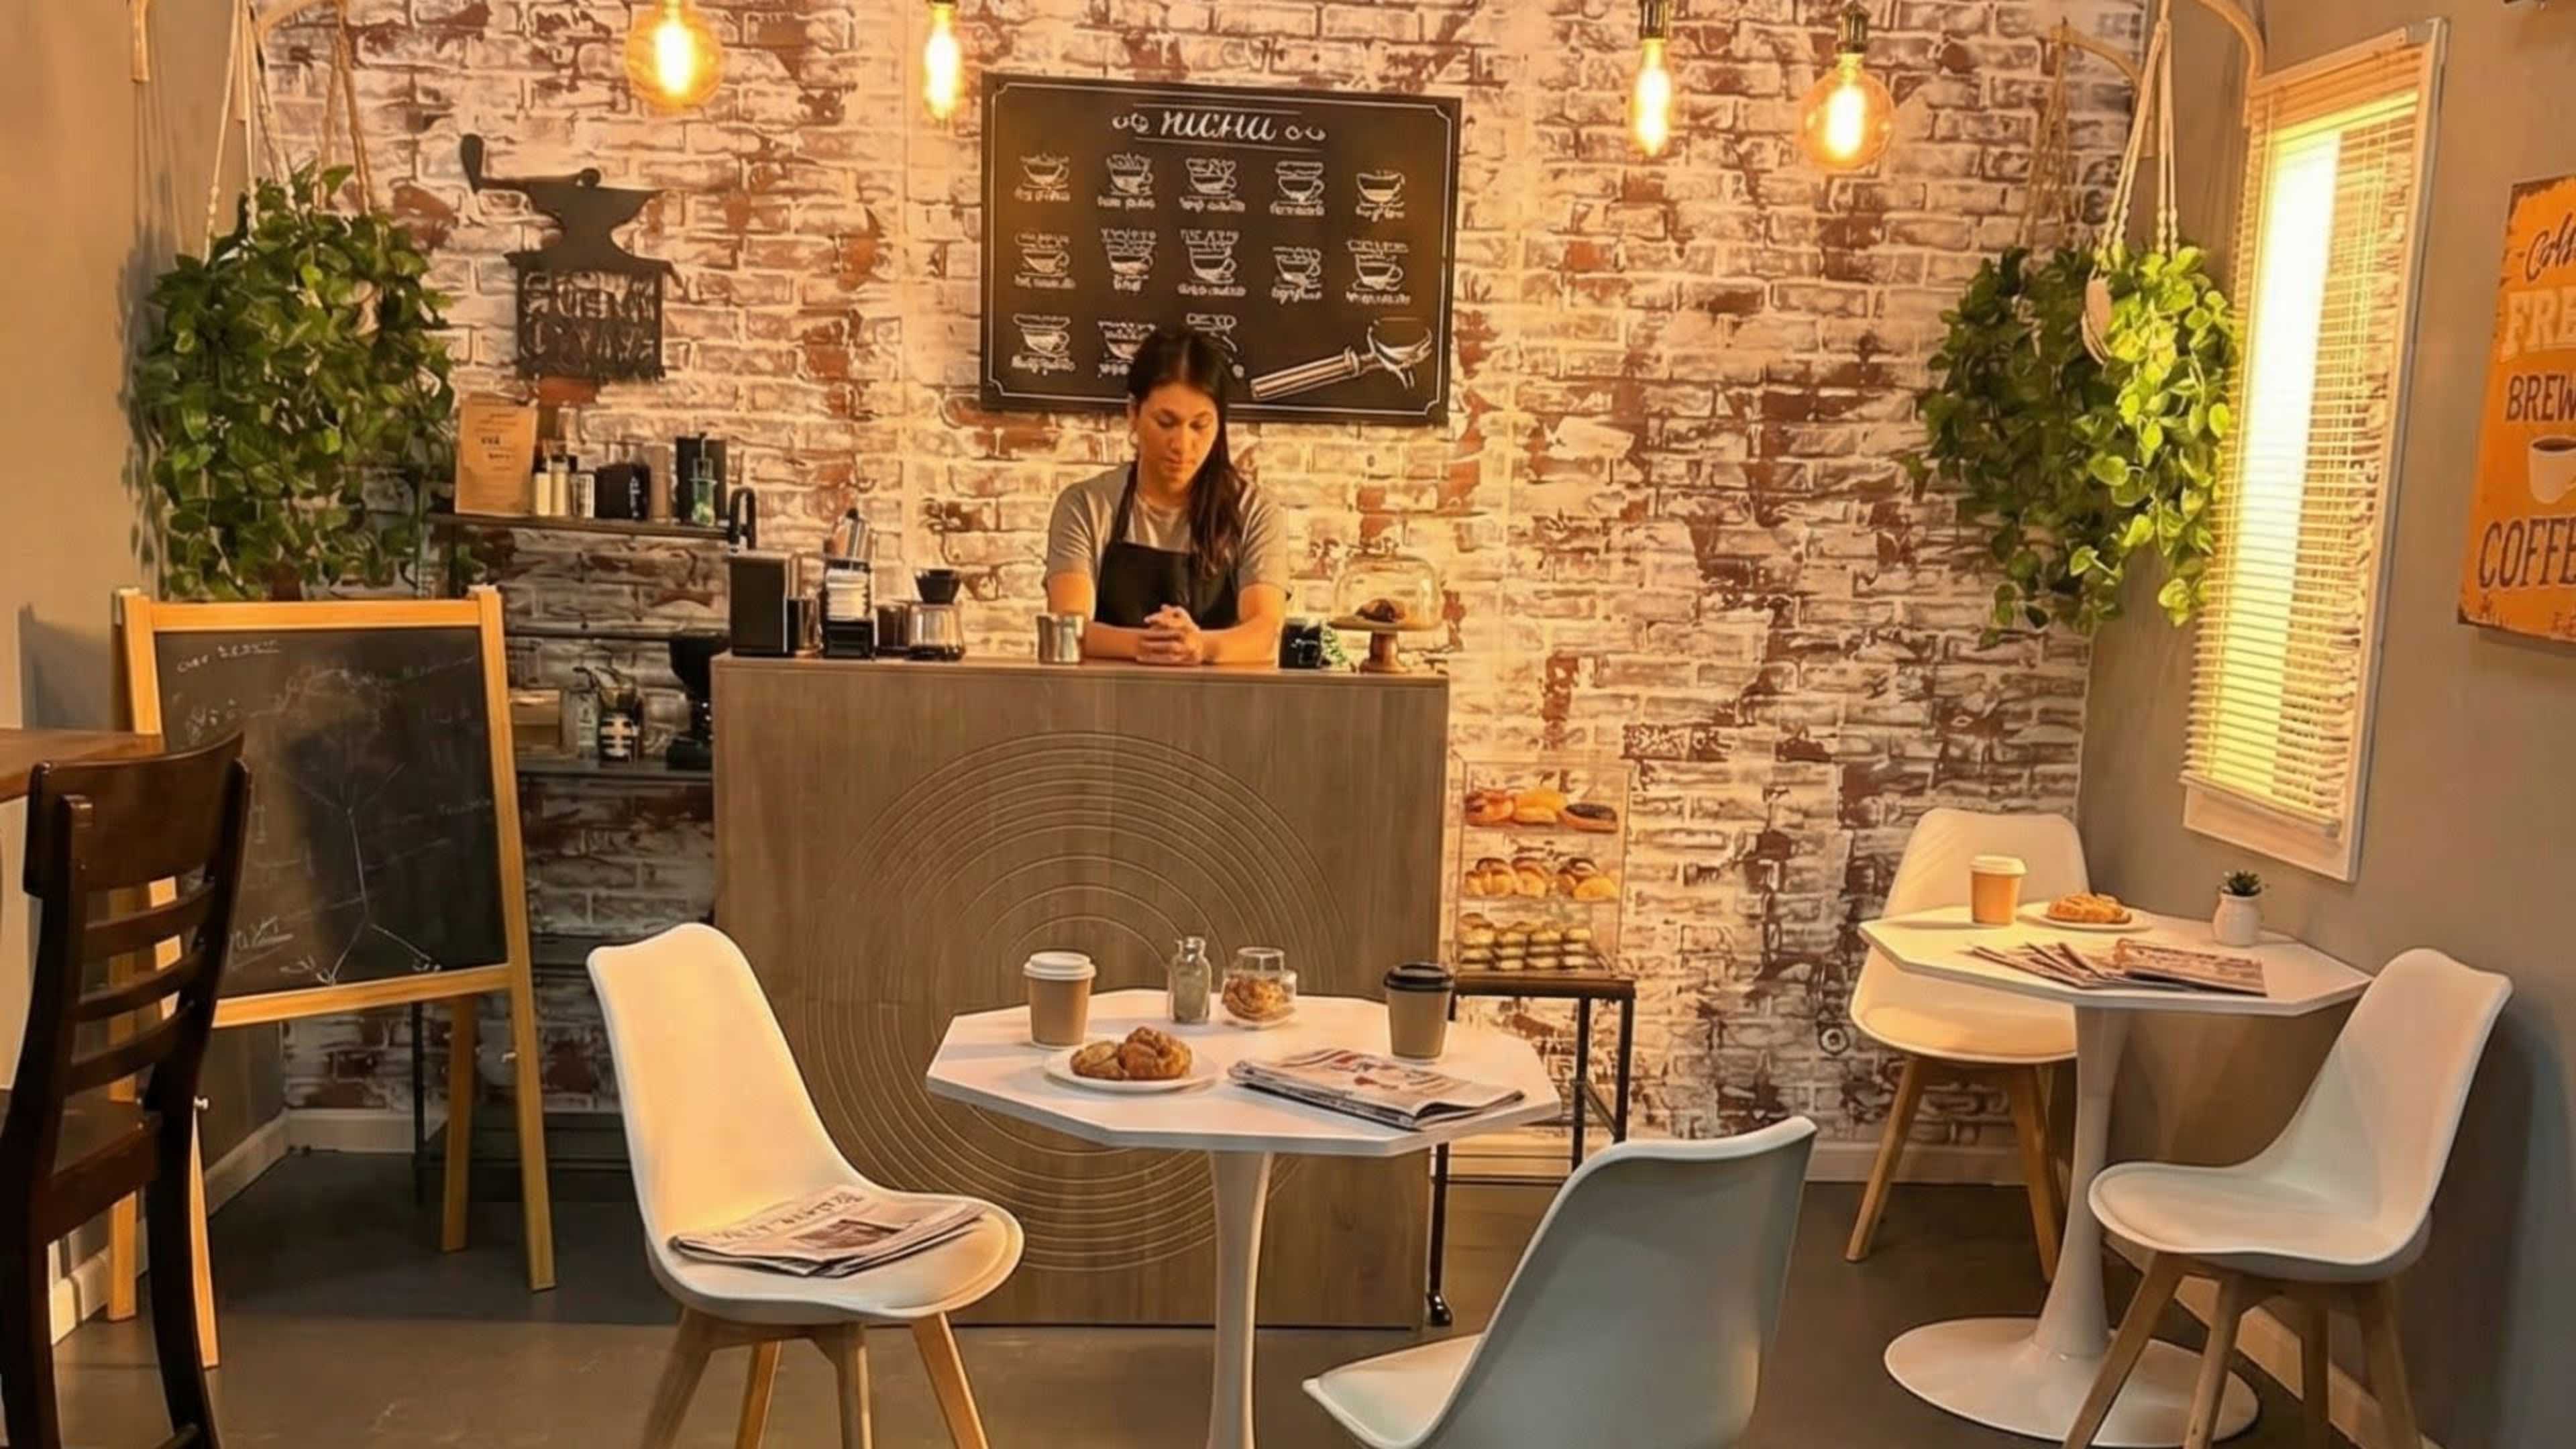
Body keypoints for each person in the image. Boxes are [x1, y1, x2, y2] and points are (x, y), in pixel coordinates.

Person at [1044, 326, 1289, 665]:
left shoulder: (1254, 511)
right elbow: (1068, 628)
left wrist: (1199, 646)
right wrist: (1153, 644)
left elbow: (1265, 633)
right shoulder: (1086, 506)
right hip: (1104, 708)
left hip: (1223, 711)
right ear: (1133, 412)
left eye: (1200, 426)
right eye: (1166, 422)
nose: (1182, 445)